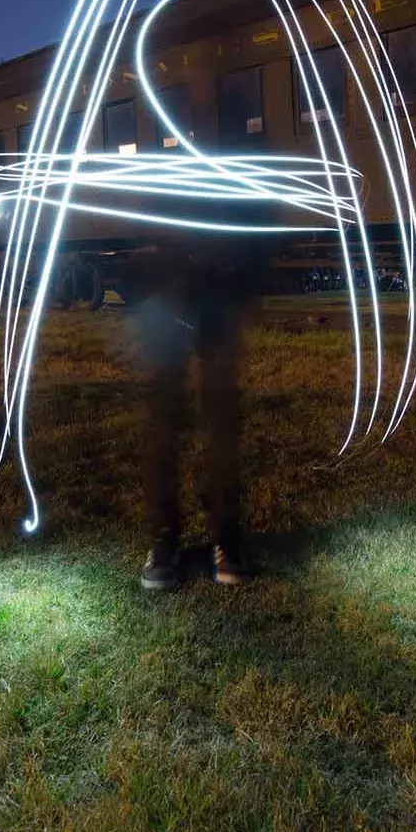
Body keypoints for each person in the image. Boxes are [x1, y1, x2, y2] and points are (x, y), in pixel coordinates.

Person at [132, 221, 273, 591]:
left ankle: (224, 536)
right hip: (170, 279)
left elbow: (257, 194)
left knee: (220, 414)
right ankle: (165, 539)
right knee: (166, 413)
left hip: (222, 276)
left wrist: (248, 262)